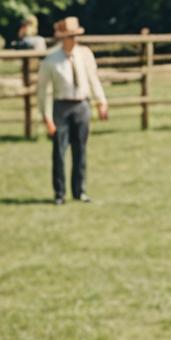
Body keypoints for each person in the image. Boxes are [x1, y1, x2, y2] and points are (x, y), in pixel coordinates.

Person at [36, 17, 108, 205]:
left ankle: (80, 190)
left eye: (76, 36)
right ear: (62, 38)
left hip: (81, 104)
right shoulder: (51, 60)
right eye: (70, 37)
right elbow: (44, 91)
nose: (74, 40)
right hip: (62, 106)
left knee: (80, 150)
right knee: (59, 152)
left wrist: (101, 101)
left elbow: (93, 79)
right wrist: (46, 116)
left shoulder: (85, 54)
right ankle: (59, 193)